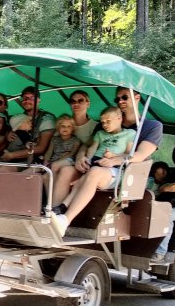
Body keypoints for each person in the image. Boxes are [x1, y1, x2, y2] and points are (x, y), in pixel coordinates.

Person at [51, 87, 163, 238]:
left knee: (95, 172)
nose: (120, 101)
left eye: (124, 97)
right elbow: (89, 144)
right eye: (117, 99)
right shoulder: (106, 123)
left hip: (124, 173)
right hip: (98, 164)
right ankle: (53, 216)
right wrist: (80, 157)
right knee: (66, 171)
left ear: (137, 98)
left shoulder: (152, 126)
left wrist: (117, 159)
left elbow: (141, 154)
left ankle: (65, 220)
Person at [51, 90, 98, 205]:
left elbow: (90, 145)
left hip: (81, 164)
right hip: (61, 160)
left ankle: (56, 210)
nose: (76, 104)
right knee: (48, 174)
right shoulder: (64, 123)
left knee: (65, 171)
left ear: (88, 103)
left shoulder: (95, 126)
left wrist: (80, 155)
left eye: (80, 100)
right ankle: (49, 207)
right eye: (72, 101)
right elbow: (55, 143)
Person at [0, 86, 56, 165]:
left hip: (31, 161)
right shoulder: (19, 118)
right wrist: (8, 133)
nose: (27, 100)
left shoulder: (47, 119)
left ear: (38, 100)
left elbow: (41, 148)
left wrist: (12, 155)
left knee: (4, 169)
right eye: (24, 98)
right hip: (9, 156)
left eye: (31, 98)